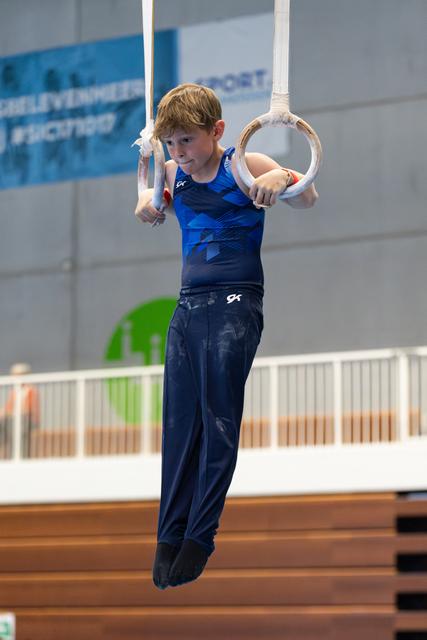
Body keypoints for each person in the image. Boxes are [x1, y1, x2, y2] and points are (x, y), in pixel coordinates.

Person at [134, 83, 318, 589]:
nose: (179, 154)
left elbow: (308, 196)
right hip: (189, 307)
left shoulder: (244, 163)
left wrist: (281, 177)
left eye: (187, 142)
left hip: (236, 302)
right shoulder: (171, 174)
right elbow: (150, 202)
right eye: (170, 144)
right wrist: (146, 206)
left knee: (217, 418)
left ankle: (200, 534)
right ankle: (168, 535)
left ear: (216, 132)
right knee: (178, 427)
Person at [0, 363, 39, 458]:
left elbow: (29, 410)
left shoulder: (30, 390)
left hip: (28, 420)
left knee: (14, 427)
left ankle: (18, 456)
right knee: (5, 425)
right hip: (13, 420)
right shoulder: (15, 391)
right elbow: (8, 407)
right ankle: (12, 455)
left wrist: (10, 413)